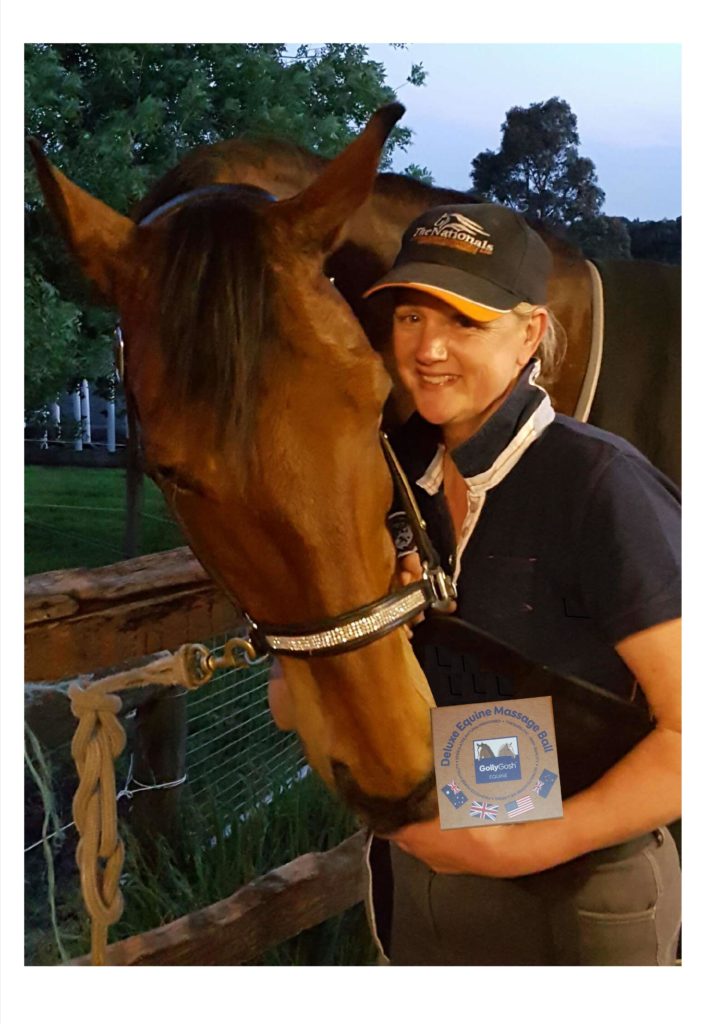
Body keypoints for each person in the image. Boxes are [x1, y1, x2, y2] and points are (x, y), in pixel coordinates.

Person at [271, 203, 681, 966]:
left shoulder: (598, 485)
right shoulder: (388, 480)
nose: (427, 349)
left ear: (529, 334)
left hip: (583, 892)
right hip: (421, 878)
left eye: (465, 322)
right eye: (410, 316)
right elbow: (293, 708)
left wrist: (518, 848)